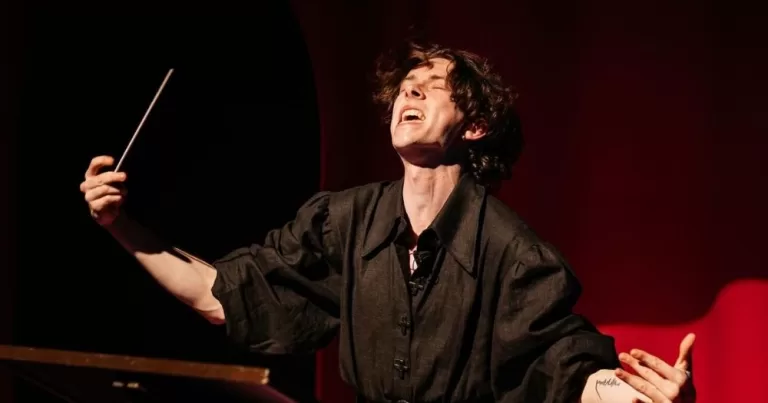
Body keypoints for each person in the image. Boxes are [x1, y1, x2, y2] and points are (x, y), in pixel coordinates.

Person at [79, 42, 696, 403]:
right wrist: (120, 227)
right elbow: (226, 297)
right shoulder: (342, 221)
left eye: (431, 89)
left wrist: (642, 397)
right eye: (406, 88)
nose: (410, 95)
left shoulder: (511, 251)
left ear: (474, 126)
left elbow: (566, 371)